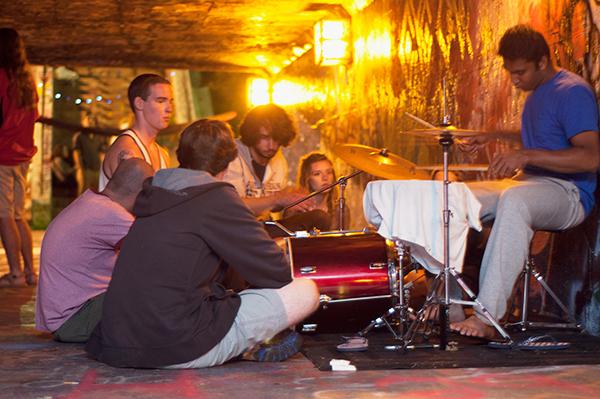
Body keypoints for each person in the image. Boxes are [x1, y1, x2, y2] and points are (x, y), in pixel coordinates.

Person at [86, 119, 319, 369]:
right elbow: (276, 272)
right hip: (172, 344)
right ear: (228, 162)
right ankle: (246, 345)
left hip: (116, 342)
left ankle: (244, 343)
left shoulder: (155, 192)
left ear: (181, 155)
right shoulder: (215, 196)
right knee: (306, 292)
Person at [450, 25, 600, 338]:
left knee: (515, 200)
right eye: (510, 72)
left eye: (520, 73)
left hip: (569, 193)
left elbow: (590, 158)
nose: (514, 80)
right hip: (529, 183)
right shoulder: (537, 95)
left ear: (543, 62)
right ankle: (448, 306)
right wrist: (493, 136)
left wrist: (526, 155)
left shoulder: (572, 92)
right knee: (452, 196)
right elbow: (549, 135)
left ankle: (487, 317)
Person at [35, 158, 153, 342]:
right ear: (142, 192)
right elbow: (159, 249)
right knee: (161, 290)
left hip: (67, 317)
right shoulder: (111, 214)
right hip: (75, 319)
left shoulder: (91, 202)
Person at [222, 105, 327, 233]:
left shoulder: (279, 161)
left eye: (276, 139)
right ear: (252, 134)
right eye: (265, 138)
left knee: (320, 218)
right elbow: (232, 206)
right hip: (236, 230)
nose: (271, 145)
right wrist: (279, 198)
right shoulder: (232, 156)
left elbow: (273, 208)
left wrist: (292, 202)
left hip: (263, 226)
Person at [0, 28, 38, 287]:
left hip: (2, 154)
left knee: (4, 214)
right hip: (23, 155)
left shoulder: (1, 78)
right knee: (17, 215)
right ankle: (30, 273)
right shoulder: (27, 80)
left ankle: (14, 273)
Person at [98, 73, 173, 190]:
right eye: (160, 101)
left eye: (170, 101)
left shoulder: (163, 154)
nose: (169, 109)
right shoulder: (127, 150)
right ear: (139, 103)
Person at [286, 152, 349, 230]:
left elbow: (344, 240)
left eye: (329, 172)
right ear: (307, 178)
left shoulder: (340, 209)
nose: (325, 178)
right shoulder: (296, 209)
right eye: (317, 174)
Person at [72, 111, 108, 195]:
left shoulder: (98, 136)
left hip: (96, 168)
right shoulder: (79, 136)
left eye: (92, 120)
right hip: (85, 169)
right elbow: (76, 152)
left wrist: (103, 169)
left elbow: (102, 152)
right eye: (88, 119)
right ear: (83, 122)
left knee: (96, 193)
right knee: (83, 193)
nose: (90, 121)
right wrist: (79, 168)